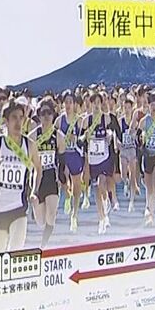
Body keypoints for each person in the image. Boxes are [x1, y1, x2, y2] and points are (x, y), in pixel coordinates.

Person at [0, 103, 39, 254]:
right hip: (0, 209)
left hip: (19, 208)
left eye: (21, 118)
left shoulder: (30, 145)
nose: (18, 122)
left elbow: (38, 169)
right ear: (6, 121)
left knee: (15, 253)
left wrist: (34, 191)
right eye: (14, 118)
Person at [82, 93, 117, 235]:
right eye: (94, 102)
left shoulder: (106, 118)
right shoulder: (86, 120)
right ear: (90, 104)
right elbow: (82, 140)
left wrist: (110, 135)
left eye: (98, 102)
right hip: (92, 159)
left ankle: (106, 207)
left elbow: (113, 132)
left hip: (104, 157)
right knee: (97, 189)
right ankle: (101, 218)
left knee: (102, 182)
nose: (96, 105)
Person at [30, 103, 64, 248]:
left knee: (51, 216)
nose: (46, 116)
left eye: (49, 113)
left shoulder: (58, 136)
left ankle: (43, 245)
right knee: (41, 221)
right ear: (38, 116)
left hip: (51, 177)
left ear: (53, 115)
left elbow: (62, 162)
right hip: (37, 178)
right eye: (43, 113)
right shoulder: (33, 136)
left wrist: (64, 180)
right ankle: (34, 206)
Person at [137, 94, 155, 227]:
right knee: (149, 188)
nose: (154, 107)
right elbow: (137, 139)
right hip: (147, 156)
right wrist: (141, 138)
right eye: (151, 105)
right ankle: (148, 207)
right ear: (148, 106)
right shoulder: (144, 121)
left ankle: (151, 215)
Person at [57, 93, 85, 233]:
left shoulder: (79, 120)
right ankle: (67, 196)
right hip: (63, 155)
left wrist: (78, 138)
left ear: (74, 104)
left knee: (76, 184)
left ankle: (74, 214)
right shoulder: (59, 120)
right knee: (62, 180)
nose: (68, 105)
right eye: (66, 102)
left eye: (70, 102)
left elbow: (85, 136)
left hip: (75, 155)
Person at [117, 95, 140, 213]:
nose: (126, 110)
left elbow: (139, 135)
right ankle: (125, 183)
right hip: (123, 149)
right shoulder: (120, 121)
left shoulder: (135, 121)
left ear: (132, 108)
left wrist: (136, 135)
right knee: (123, 173)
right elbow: (117, 135)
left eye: (128, 107)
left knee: (133, 174)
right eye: (125, 107)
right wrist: (117, 144)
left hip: (132, 149)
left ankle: (131, 202)